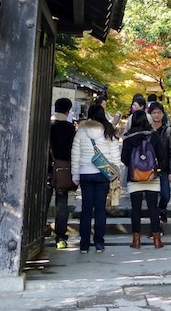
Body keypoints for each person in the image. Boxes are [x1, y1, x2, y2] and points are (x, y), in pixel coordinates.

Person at [70, 103, 121, 253]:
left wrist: (75, 174)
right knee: (100, 209)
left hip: (85, 173)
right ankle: (99, 243)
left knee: (86, 209)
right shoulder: (108, 130)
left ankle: (84, 244)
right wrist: (116, 173)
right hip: (103, 174)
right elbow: (114, 154)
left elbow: (76, 153)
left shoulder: (82, 130)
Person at [121, 109, 166, 249]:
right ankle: (157, 240)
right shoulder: (153, 135)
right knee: (153, 208)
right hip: (152, 177)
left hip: (134, 177)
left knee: (136, 209)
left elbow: (124, 159)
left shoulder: (128, 137)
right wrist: (157, 170)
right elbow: (162, 155)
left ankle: (136, 241)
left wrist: (136, 167)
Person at [47, 97, 76, 249]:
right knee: (62, 204)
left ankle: (37, 233)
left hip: (45, 169)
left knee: (41, 204)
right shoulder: (69, 128)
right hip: (63, 170)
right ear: (68, 110)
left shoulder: (45, 126)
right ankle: (60, 238)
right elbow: (73, 150)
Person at [148, 101, 171, 225]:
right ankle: (155, 224)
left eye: (159, 112)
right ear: (150, 114)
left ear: (163, 114)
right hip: (149, 168)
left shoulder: (168, 131)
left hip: (163, 168)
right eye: (154, 113)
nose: (157, 115)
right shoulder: (147, 131)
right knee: (152, 197)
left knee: (165, 194)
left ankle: (162, 209)